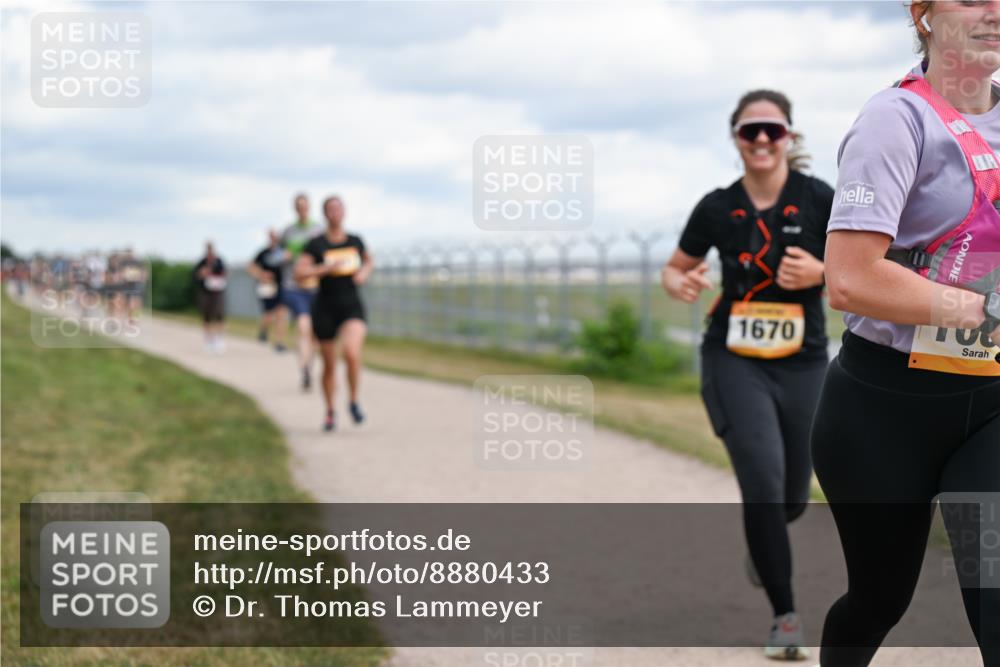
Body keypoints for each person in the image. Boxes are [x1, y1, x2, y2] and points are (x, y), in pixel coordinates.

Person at [812, 2, 1000, 665]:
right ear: (923, 14)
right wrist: (986, 312)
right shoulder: (896, 121)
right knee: (878, 597)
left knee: (997, 596)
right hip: (883, 406)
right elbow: (851, 279)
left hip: (990, 406)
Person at [661, 90, 833, 660]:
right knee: (761, 484)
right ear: (735, 137)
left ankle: (764, 548)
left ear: (789, 136)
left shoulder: (819, 199)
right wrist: (678, 283)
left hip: (804, 360)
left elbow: (865, 269)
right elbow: (676, 268)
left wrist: (822, 271)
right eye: (750, 130)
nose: (762, 140)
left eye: (773, 130)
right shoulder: (716, 206)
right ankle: (786, 617)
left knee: (792, 498)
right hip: (732, 359)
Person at [295, 196, 373, 432]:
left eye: (339, 208)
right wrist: (324, 268)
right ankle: (330, 410)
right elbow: (300, 273)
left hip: (351, 305)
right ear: (325, 213)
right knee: (329, 364)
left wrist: (364, 273)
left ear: (344, 212)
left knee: (351, 353)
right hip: (325, 306)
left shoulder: (355, 240)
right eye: (331, 209)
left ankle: (353, 401)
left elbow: (369, 261)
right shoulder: (316, 244)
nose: (335, 212)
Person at [280, 194, 323, 390]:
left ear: (309, 207)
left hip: (315, 286)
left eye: (304, 206)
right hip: (295, 285)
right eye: (298, 206)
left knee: (314, 334)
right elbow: (279, 255)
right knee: (303, 328)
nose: (301, 209)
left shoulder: (318, 230)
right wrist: (285, 256)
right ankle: (304, 369)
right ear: (294, 208)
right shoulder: (288, 232)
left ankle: (309, 367)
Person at [249, 229, 288, 352]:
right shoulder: (263, 253)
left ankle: (279, 342)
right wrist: (261, 275)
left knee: (281, 313)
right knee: (269, 314)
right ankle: (263, 330)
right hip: (267, 286)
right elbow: (251, 266)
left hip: (281, 285)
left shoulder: (283, 252)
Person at [193, 242, 227, 353]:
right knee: (206, 316)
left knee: (219, 315)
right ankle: (208, 340)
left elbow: (225, 273)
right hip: (205, 292)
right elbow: (195, 276)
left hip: (218, 291)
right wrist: (202, 273)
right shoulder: (202, 262)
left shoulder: (219, 261)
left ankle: (219, 339)